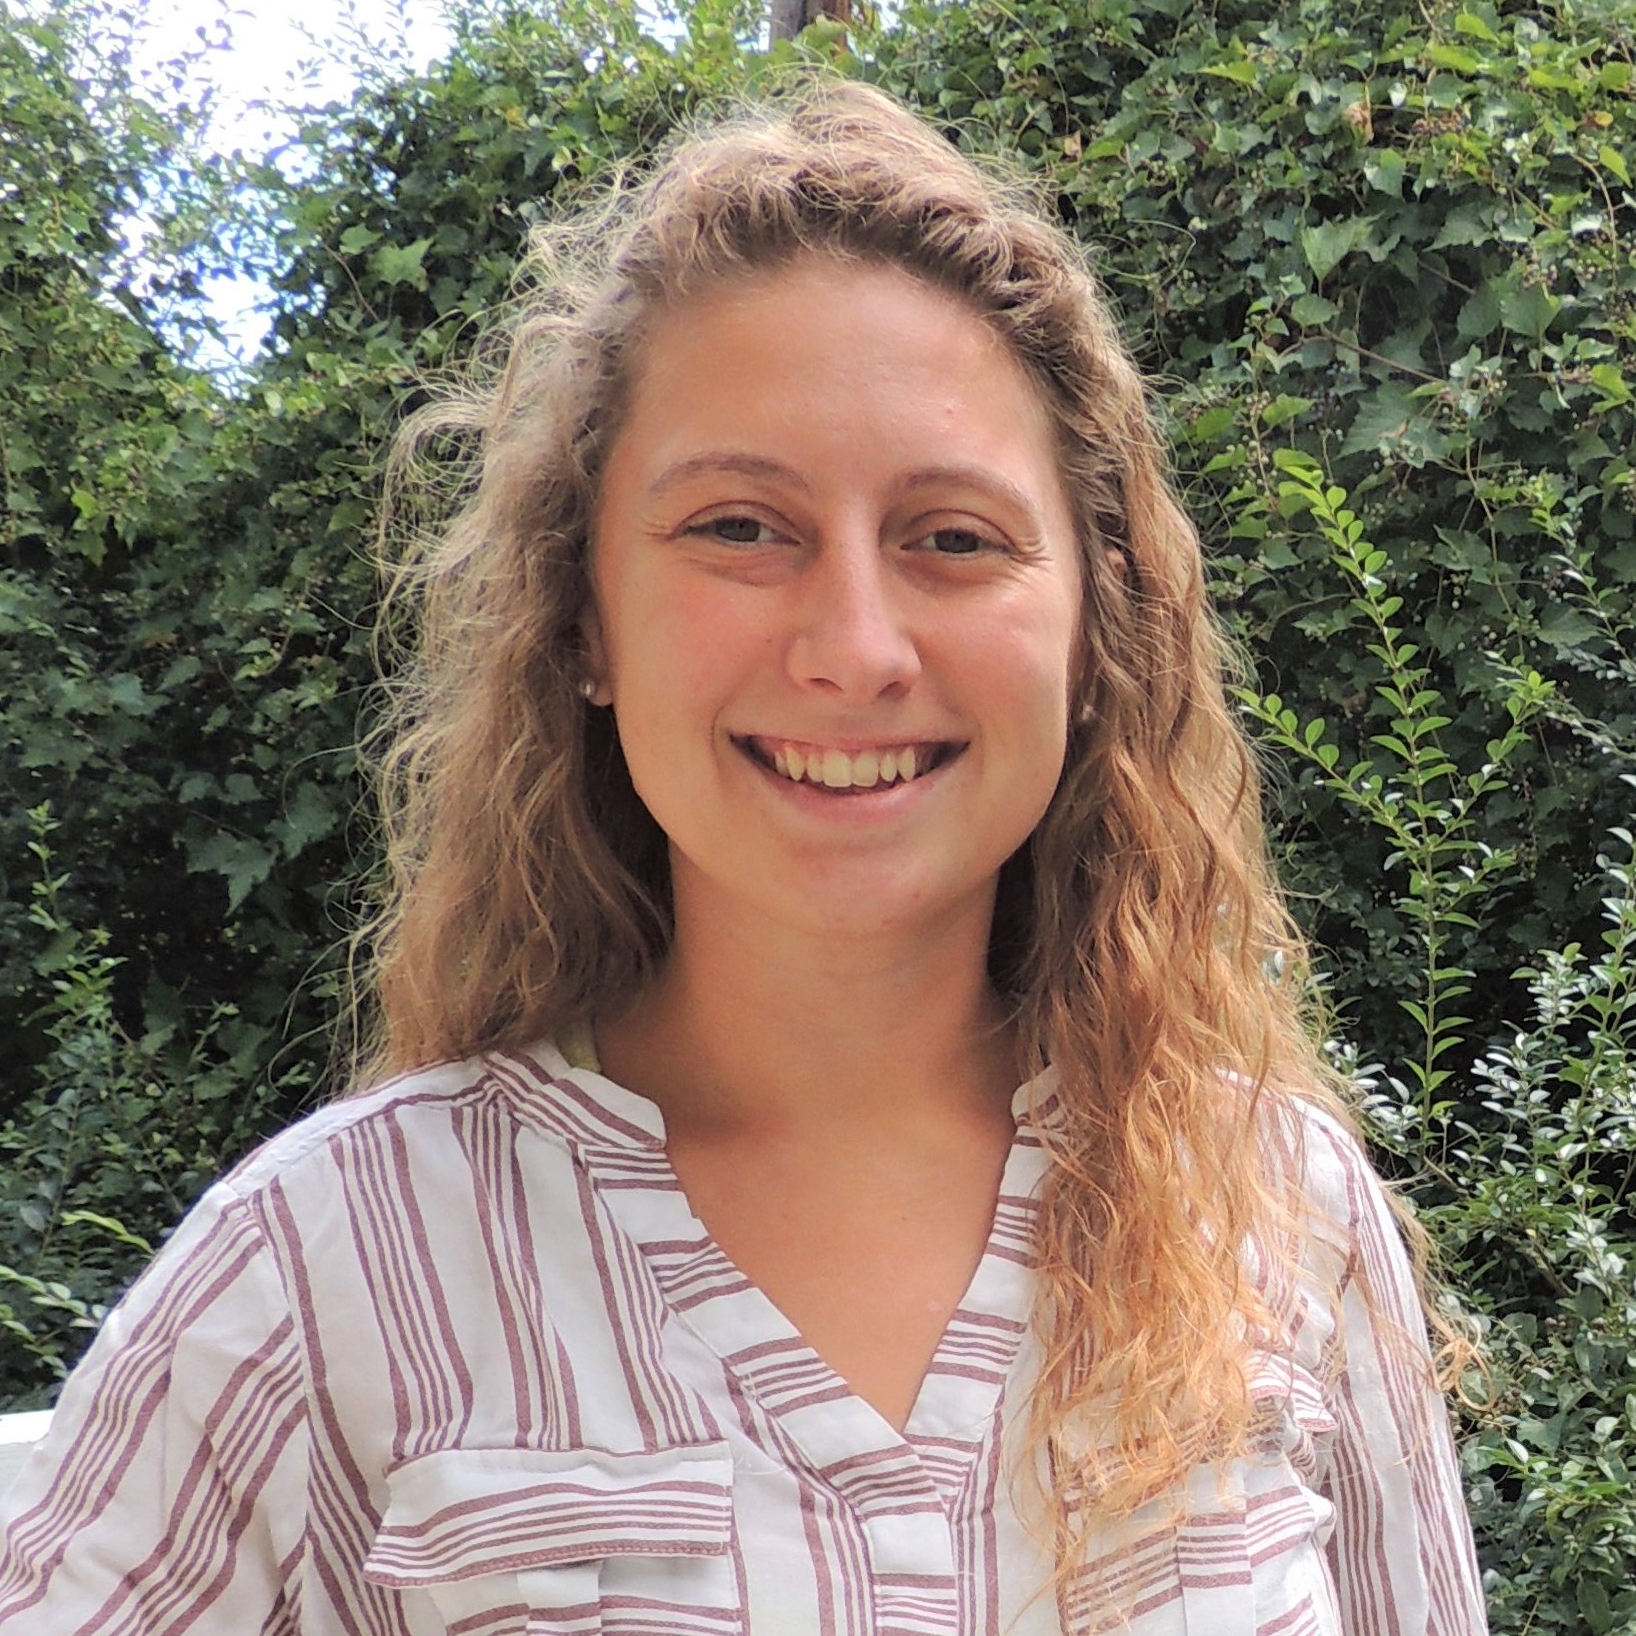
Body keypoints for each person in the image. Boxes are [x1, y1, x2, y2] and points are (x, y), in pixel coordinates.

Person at [0, 79, 1487, 1635]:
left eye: (953, 537)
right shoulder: (326, 1270)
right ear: (585, 619)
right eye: (740, 528)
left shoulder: (1278, 1212)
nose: (855, 647)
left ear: (1093, 628)